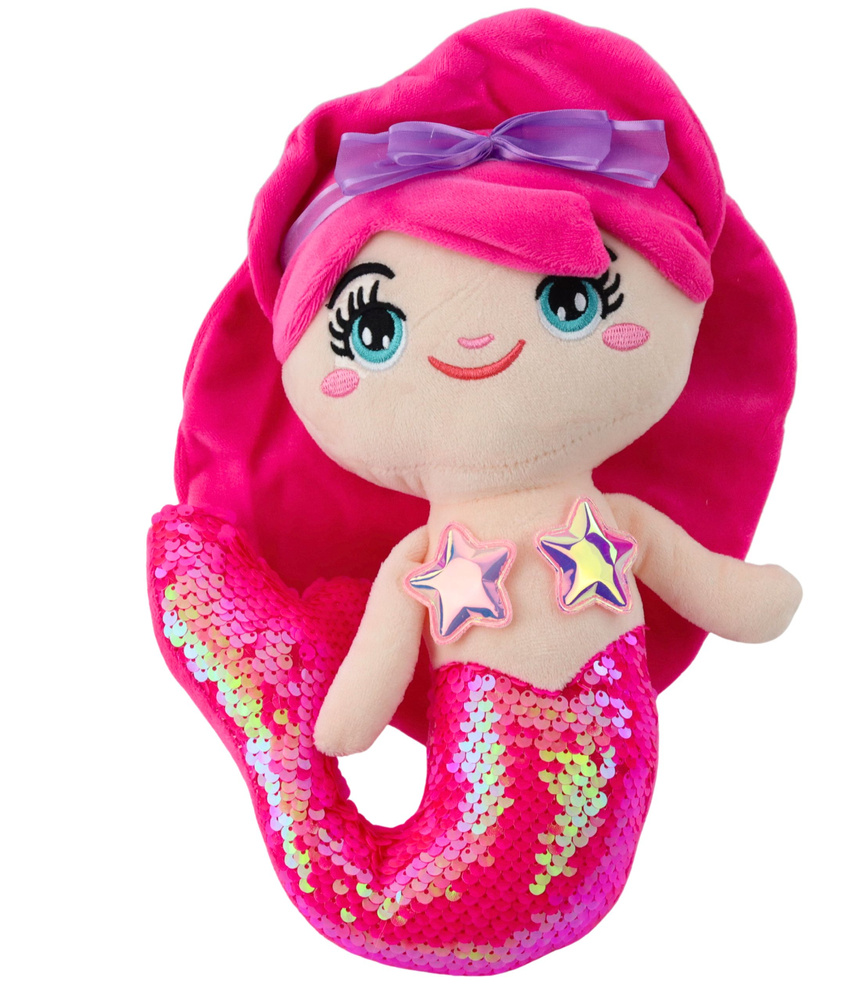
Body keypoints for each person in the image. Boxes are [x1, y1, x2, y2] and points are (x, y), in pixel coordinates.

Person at [150, 9, 799, 975]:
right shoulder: (426, 563)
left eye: (571, 302)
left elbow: (720, 587)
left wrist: (749, 596)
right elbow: (351, 715)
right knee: (407, 868)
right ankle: (268, 707)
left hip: (561, 834)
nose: (475, 344)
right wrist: (324, 723)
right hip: (452, 856)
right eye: (375, 332)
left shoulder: (609, 528)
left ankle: (278, 703)